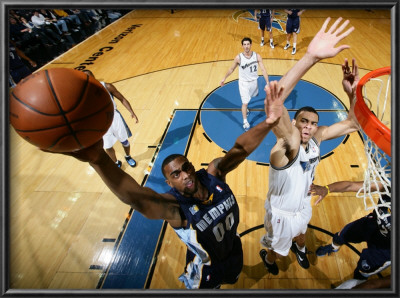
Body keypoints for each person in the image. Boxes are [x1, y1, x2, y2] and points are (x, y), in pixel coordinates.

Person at [48, 80, 285, 289]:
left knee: (234, 279)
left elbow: (240, 149)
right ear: (169, 182)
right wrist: (98, 159)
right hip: (206, 268)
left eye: (186, 168)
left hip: (233, 250)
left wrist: (270, 122)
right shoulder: (176, 207)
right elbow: (137, 198)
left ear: (193, 167)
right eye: (176, 175)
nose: (184, 176)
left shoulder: (214, 174)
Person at [258, 17, 359, 276]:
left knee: (302, 235)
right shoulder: (286, 146)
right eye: (303, 121)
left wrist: (352, 95)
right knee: (276, 250)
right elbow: (274, 104)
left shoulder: (316, 139)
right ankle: (269, 260)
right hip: (280, 213)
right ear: (294, 122)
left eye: (313, 123)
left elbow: (354, 124)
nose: (308, 126)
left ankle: (300, 249)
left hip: (302, 204)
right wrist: (311, 58)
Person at [311, 181, 391, 288]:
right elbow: (351, 185)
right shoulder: (389, 187)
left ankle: (354, 284)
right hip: (371, 224)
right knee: (340, 236)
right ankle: (333, 248)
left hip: (384, 248)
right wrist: (326, 188)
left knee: (362, 271)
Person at [82, 70, 139, 168]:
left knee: (124, 141)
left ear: (94, 76)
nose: (89, 80)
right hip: (100, 122)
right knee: (108, 146)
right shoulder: (84, 95)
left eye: (90, 77)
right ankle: (116, 163)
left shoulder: (107, 86)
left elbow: (122, 99)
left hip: (114, 118)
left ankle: (128, 156)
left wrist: (131, 111)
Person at [220, 37, 270, 131]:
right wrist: (224, 78)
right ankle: (245, 121)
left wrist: (267, 82)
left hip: (254, 82)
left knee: (250, 98)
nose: (246, 46)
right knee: (245, 102)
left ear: (251, 45)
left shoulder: (257, 56)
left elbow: (263, 69)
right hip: (243, 83)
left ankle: (245, 108)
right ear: (242, 46)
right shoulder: (239, 58)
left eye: (248, 44)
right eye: (245, 45)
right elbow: (231, 69)